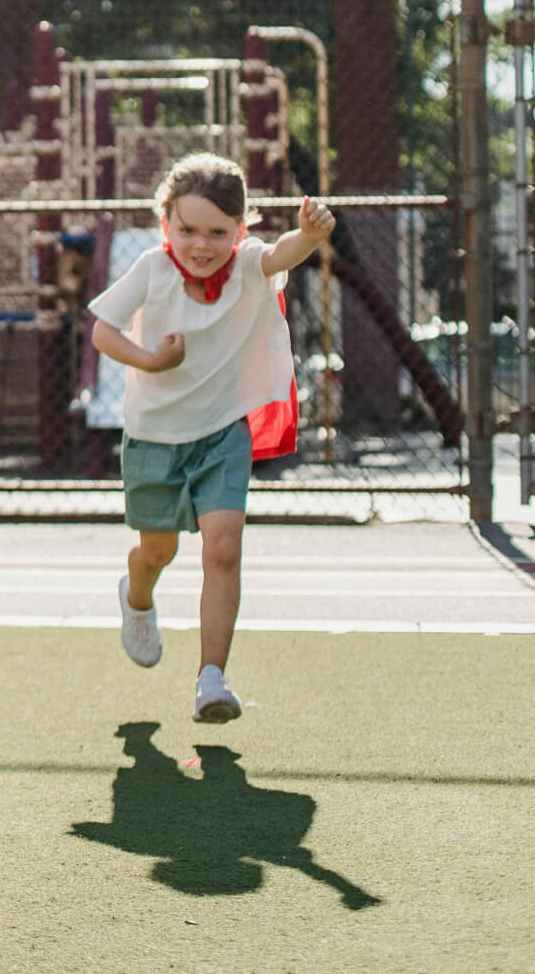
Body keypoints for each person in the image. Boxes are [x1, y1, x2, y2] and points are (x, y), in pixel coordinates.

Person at [86, 152, 333, 723]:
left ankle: (211, 679)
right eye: (188, 229)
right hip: (155, 436)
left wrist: (310, 233)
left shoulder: (249, 264)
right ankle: (137, 596)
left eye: (218, 232)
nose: (202, 244)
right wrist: (150, 358)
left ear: (240, 229)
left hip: (223, 432)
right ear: (166, 222)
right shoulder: (152, 267)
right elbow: (103, 330)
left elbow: (282, 254)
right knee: (159, 551)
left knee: (223, 548)